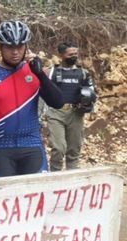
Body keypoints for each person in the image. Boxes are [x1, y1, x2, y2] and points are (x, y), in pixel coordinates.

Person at [0, 21, 64, 178]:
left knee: (36, 199)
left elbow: (58, 102)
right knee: (3, 200)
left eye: (20, 46)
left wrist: (40, 74)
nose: (15, 52)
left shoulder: (35, 72)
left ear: (26, 47)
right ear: (0, 47)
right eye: (9, 47)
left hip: (31, 145)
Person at [46, 42, 96, 171]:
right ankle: (55, 177)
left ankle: (72, 181)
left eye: (75, 54)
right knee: (58, 148)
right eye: (70, 54)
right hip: (56, 112)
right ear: (62, 55)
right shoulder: (52, 72)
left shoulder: (83, 73)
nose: (74, 56)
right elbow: (44, 92)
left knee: (74, 149)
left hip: (76, 113)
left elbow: (91, 93)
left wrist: (88, 105)